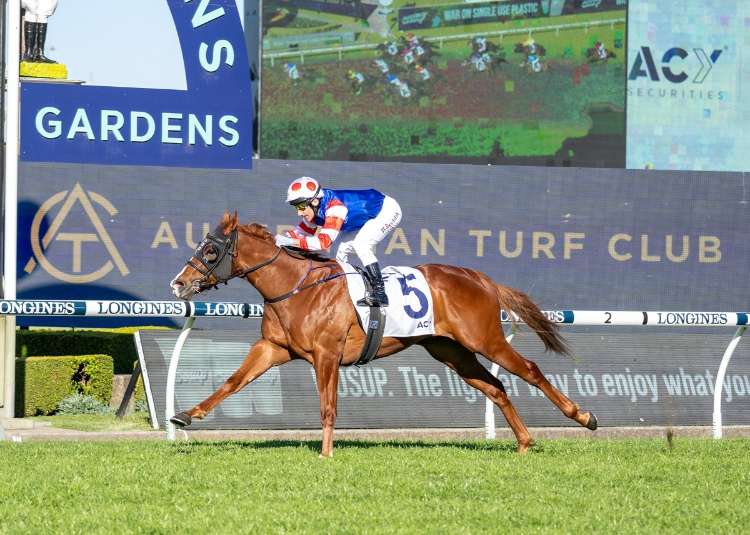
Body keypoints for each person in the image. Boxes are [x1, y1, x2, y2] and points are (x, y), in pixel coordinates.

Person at [275, 177, 402, 307]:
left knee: (362, 245)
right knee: (338, 249)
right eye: (296, 207)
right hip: (365, 216)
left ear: (314, 201)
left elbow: (322, 243)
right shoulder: (313, 209)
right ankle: (343, 288)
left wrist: (291, 241)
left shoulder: (335, 208)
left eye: (301, 206)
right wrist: (274, 240)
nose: (299, 212)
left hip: (387, 211)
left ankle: (380, 293)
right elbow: (298, 233)